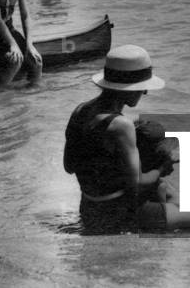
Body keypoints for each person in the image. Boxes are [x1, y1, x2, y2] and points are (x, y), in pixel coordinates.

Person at [64, 45, 171, 233]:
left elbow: (69, 166)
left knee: (169, 193)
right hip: (117, 216)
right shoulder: (121, 125)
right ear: (127, 89)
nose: (145, 92)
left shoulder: (80, 111)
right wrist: (162, 168)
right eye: (142, 87)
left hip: (89, 210)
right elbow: (137, 184)